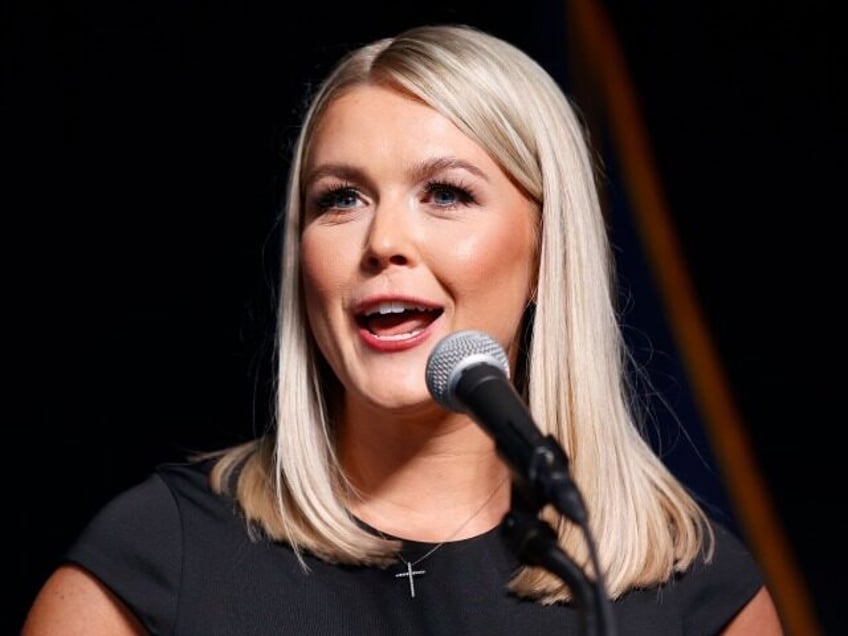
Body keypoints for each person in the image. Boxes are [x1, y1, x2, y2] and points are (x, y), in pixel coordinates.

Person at [22, 23, 784, 635]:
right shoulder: (155, 560)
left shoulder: (698, 592)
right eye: (340, 199)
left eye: (446, 193)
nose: (384, 239)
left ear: (548, 253)